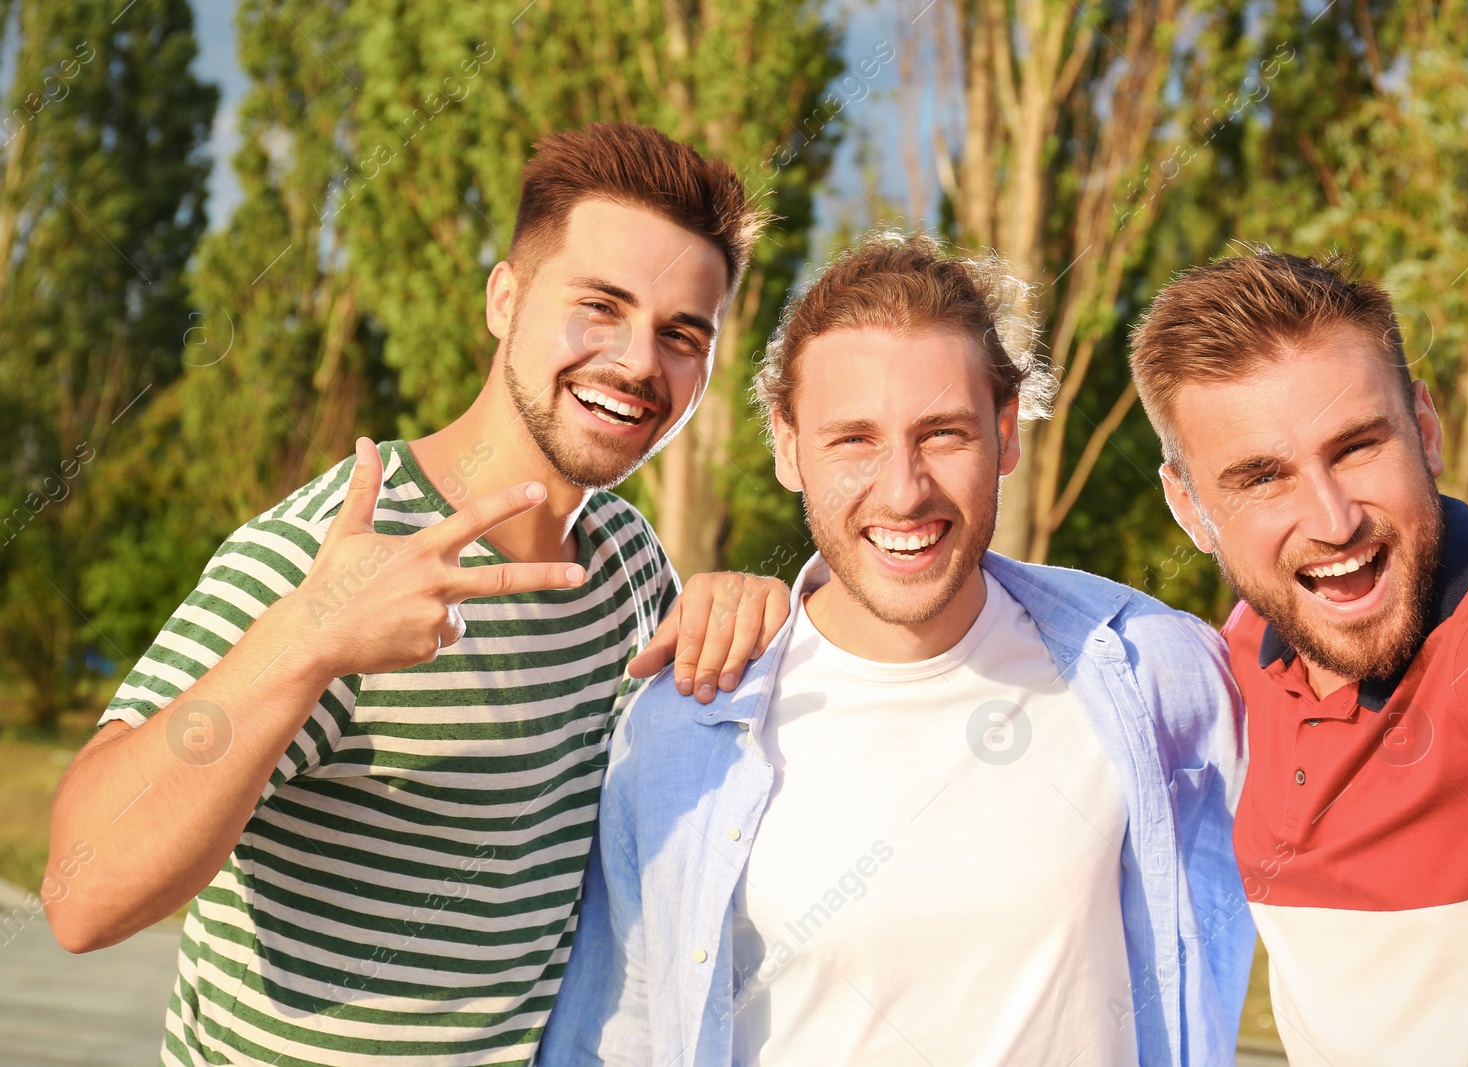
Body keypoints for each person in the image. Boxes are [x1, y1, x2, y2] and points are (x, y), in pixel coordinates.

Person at [44, 122, 791, 1067]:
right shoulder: (329, 553)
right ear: (505, 298)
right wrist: (309, 638)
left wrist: (745, 608)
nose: (641, 363)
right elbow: (81, 894)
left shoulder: (629, 564)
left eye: (683, 333)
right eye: (600, 306)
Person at [540, 232, 1254, 1067]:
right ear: (786, 444)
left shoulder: (1155, 671)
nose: (904, 489)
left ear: (1006, 433)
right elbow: (616, 1038)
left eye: (943, 433)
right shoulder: (678, 730)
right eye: (854, 439)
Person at [1129, 251, 1468, 1066]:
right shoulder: (1232, 663)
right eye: (1262, 477)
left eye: (1354, 447)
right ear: (1191, 508)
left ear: (1424, 428)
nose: (1333, 518)